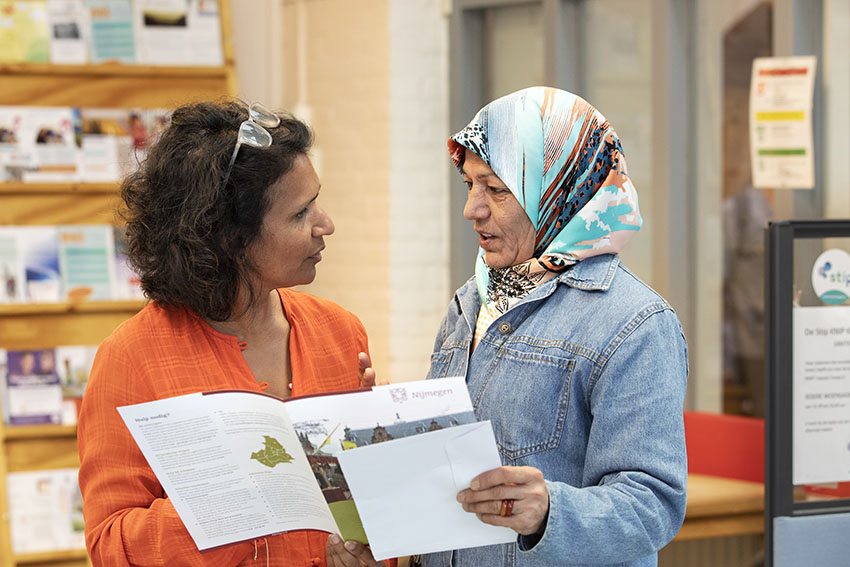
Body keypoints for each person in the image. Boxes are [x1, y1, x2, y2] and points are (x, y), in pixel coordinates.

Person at [77, 100, 385, 567]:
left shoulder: (341, 332)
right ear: (231, 239)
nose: (327, 225)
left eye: (316, 200)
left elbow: (370, 519)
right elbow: (112, 548)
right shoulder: (131, 358)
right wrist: (234, 498)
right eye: (301, 214)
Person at [424, 87, 688, 566]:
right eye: (470, 185)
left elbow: (653, 506)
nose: (472, 209)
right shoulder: (470, 302)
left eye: (497, 189)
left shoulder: (635, 323)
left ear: (560, 192)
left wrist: (549, 512)